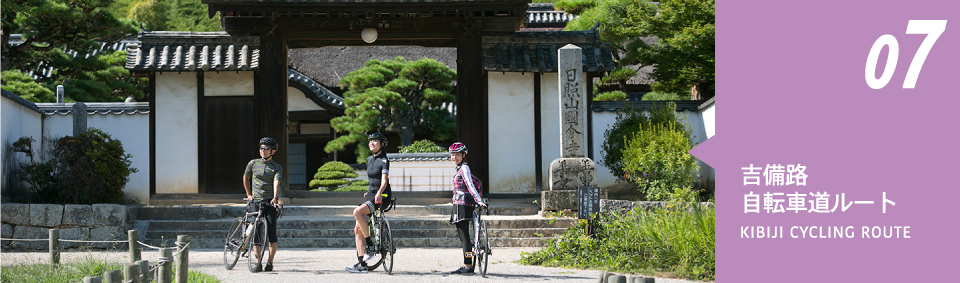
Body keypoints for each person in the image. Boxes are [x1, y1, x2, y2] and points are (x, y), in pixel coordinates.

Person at [346, 132, 393, 273]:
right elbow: (372, 180)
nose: (371, 143)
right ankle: (362, 264)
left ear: (382, 144)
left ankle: (369, 245)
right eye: (370, 141)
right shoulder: (369, 160)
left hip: (382, 195)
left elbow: (383, 181)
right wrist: (370, 192)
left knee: (357, 212)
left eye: (375, 141)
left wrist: (378, 192)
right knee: (358, 228)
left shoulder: (384, 160)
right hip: (371, 195)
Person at [243, 137, 282, 272]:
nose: (263, 151)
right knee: (256, 233)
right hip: (256, 201)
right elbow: (246, 177)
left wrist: (275, 197)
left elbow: (276, 182)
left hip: (269, 202)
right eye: (261, 148)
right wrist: (249, 194)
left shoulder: (277, 167)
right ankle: (257, 261)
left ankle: (270, 262)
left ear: (273, 151)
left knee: (272, 233)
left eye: (266, 148)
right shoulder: (253, 163)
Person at [447, 142, 486, 274]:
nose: (454, 157)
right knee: (465, 237)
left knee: (464, 238)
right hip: (461, 205)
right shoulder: (461, 168)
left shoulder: (464, 168)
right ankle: (468, 264)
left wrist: (479, 200)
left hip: (462, 205)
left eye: (457, 154)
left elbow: (470, 185)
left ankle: (468, 265)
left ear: (464, 155)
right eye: (452, 155)